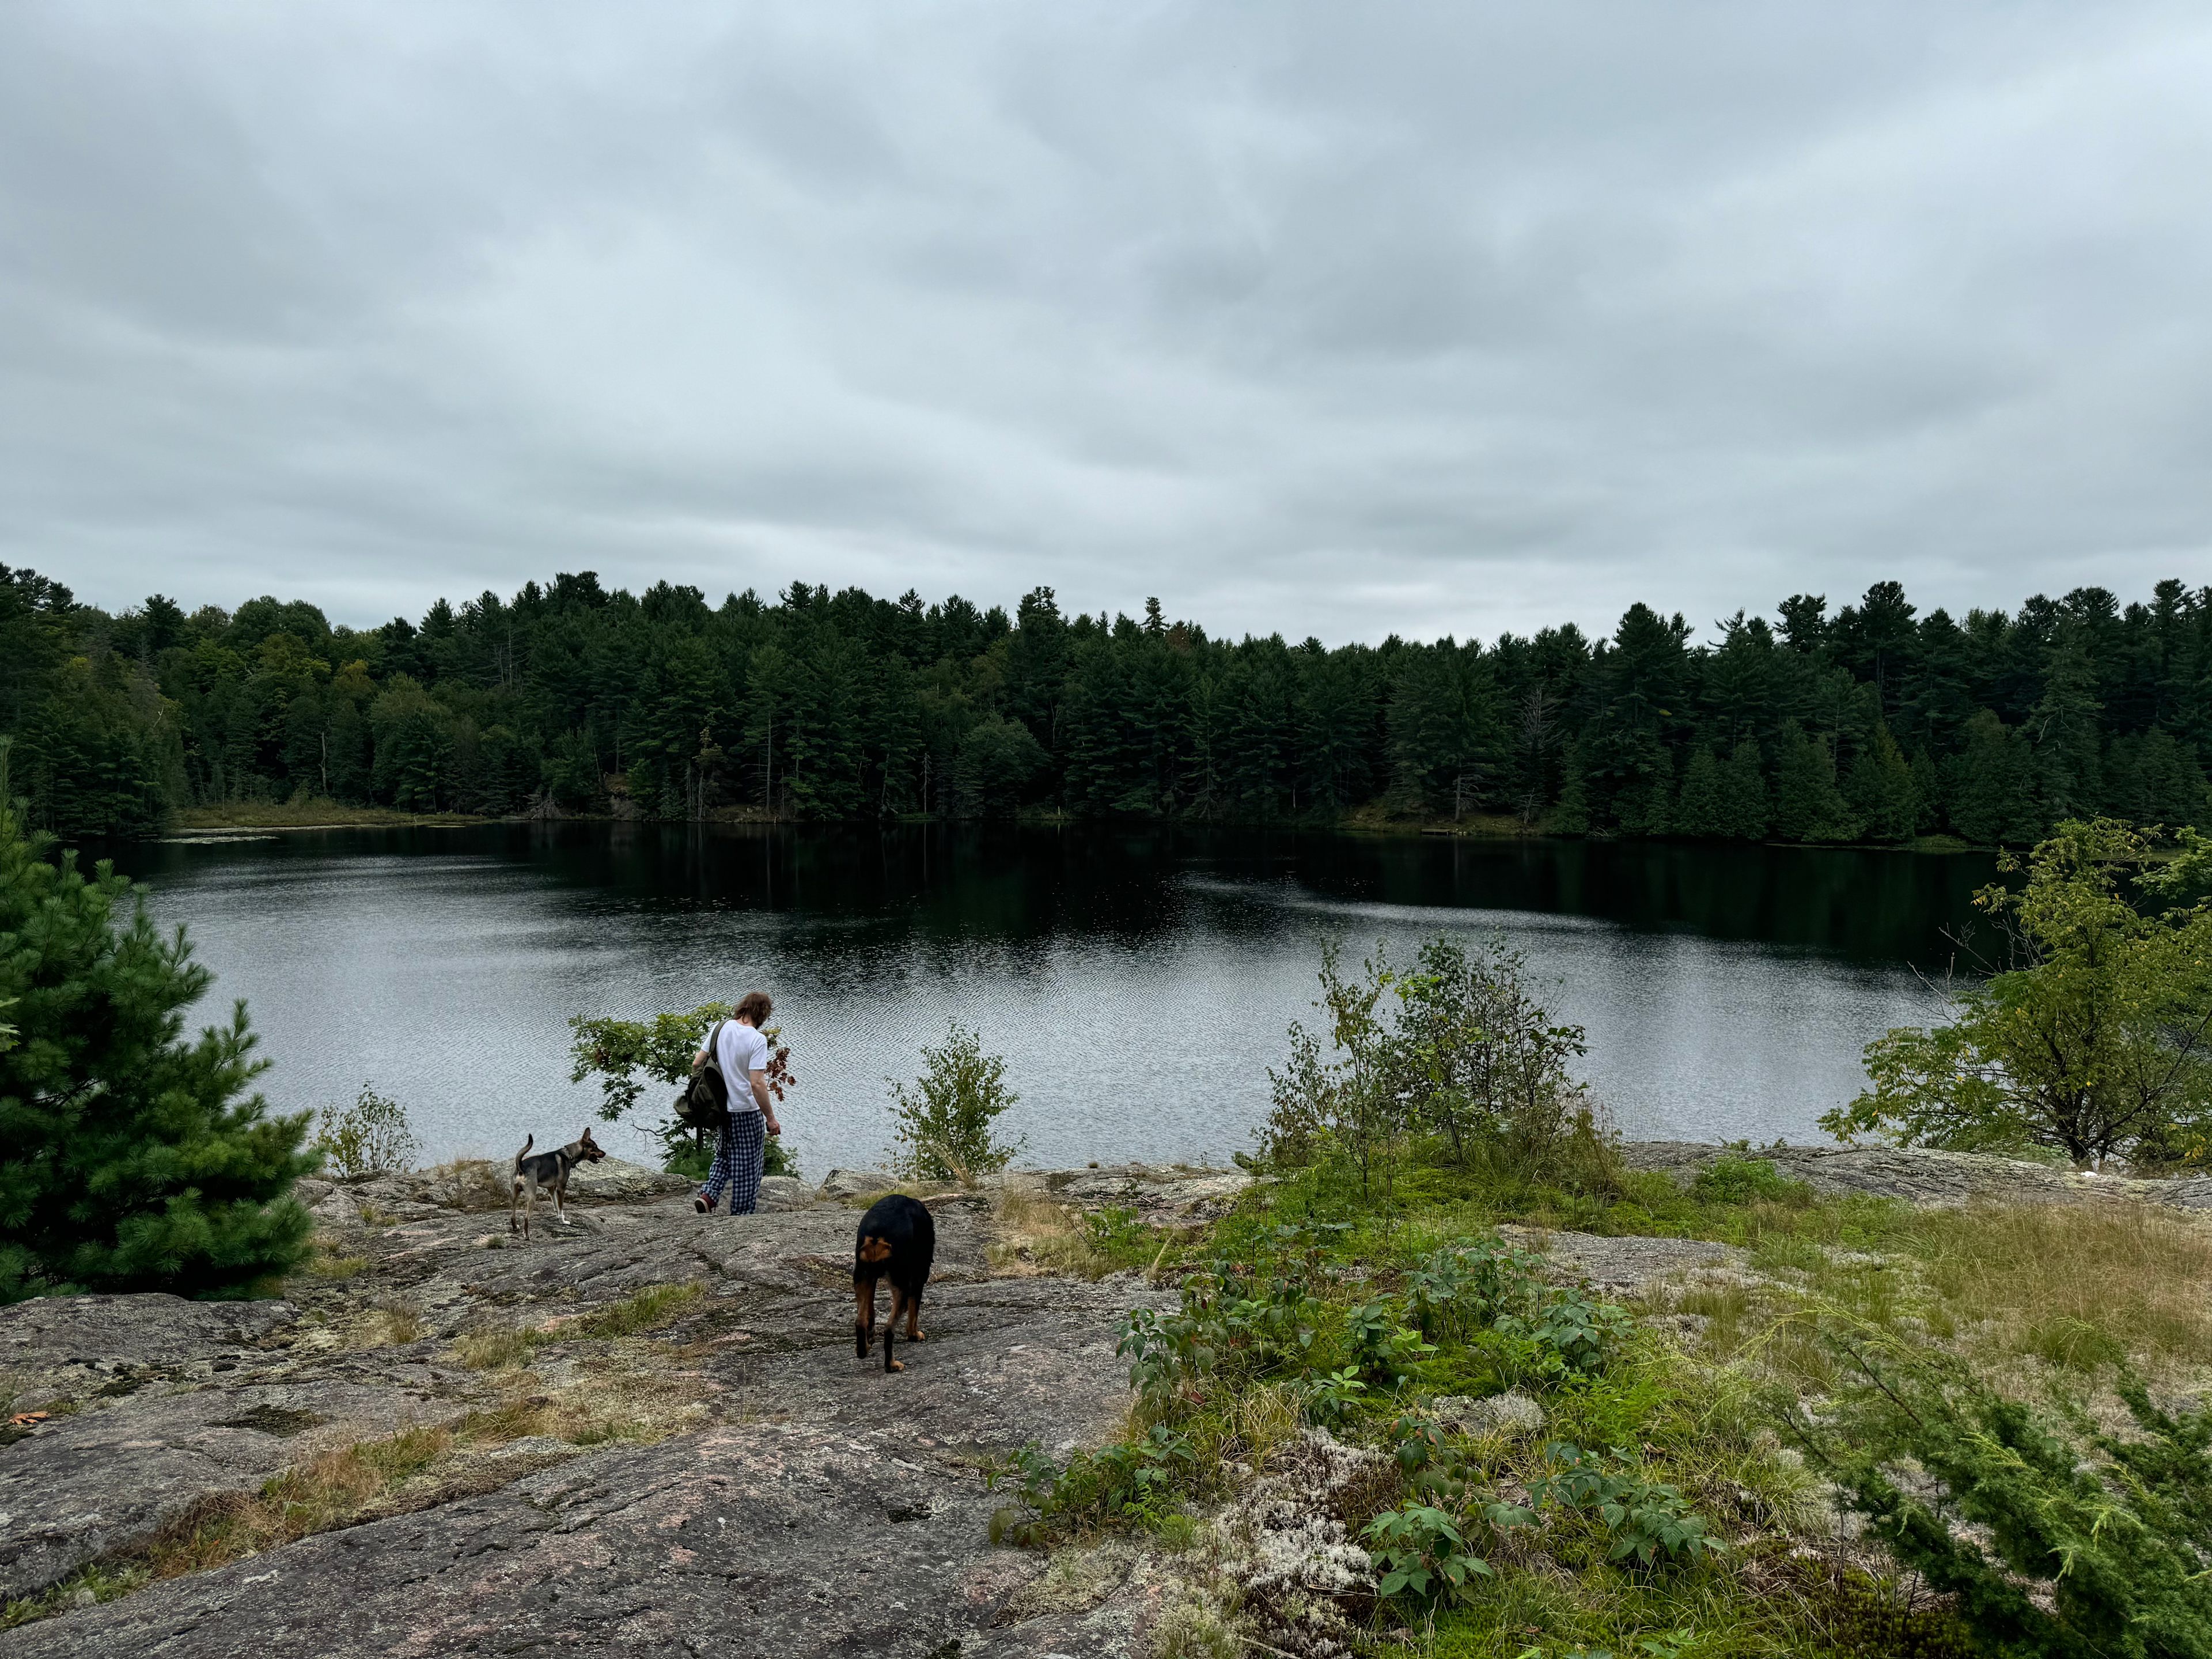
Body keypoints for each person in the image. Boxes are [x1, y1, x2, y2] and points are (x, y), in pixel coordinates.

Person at [694, 990, 781, 1215]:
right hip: (746, 1110)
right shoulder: (757, 1040)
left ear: (743, 1007)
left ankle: (709, 1196)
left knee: (724, 1154)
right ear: (763, 1014)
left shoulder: (720, 1028)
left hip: (722, 1109)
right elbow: (757, 1084)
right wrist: (770, 1119)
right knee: (748, 1166)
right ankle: (741, 1216)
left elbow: (697, 1063)